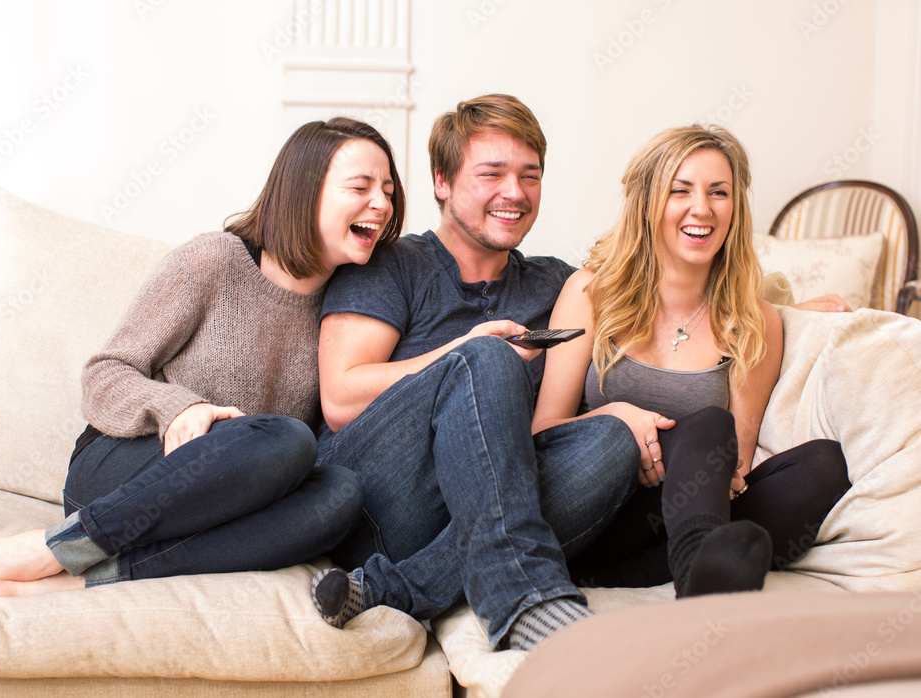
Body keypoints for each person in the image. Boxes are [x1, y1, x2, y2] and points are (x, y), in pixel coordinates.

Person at [0, 117, 406, 600]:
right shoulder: (215, 260)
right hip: (128, 472)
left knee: (341, 494)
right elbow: (104, 374)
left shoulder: (351, 313)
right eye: (360, 187)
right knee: (287, 438)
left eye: (388, 189)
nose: (382, 204)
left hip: (226, 503)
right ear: (304, 192)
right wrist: (179, 407)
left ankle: (84, 576)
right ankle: (55, 547)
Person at [308, 94, 641, 651]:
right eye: (492, 173)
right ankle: (526, 600)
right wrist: (463, 350)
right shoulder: (391, 264)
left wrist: (773, 301)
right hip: (377, 504)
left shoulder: (555, 285)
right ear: (441, 181)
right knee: (485, 357)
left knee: (614, 438)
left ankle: (399, 591)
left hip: (476, 514)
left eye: (529, 176)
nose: (514, 193)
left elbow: (667, 300)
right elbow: (340, 399)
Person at [532, 124, 851, 596]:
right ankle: (694, 566)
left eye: (718, 192)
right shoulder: (590, 292)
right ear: (646, 203)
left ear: (735, 209)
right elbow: (542, 432)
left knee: (824, 464)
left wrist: (688, 466)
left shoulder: (754, 320)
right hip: (595, 508)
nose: (701, 208)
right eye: (680, 190)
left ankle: (692, 571)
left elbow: (736, 464)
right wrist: (618, 420)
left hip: (685, 504)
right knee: (707, 427)